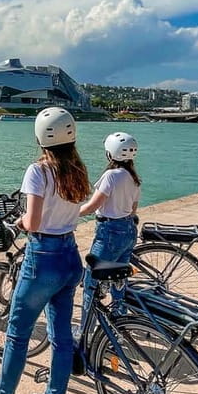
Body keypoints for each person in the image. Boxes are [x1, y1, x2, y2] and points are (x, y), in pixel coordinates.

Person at [0, 107, 89, 394]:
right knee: (61, 336)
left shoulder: (38, 171)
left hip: (43, 257)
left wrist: (20, 221)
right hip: (70, 255)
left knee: (18, 332)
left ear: (40, 138)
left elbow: (34, 221)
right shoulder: (78, 170)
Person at [78, 132, 141, 329]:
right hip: (128, 230)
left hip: (109, 232)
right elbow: (133, 209)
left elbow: (92, 206)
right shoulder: (134, 178)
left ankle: (85, 330)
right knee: (119, 279)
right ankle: (120, 322)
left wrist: (70, 215)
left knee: (91, 282)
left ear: (110, 154)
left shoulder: (111, 176)